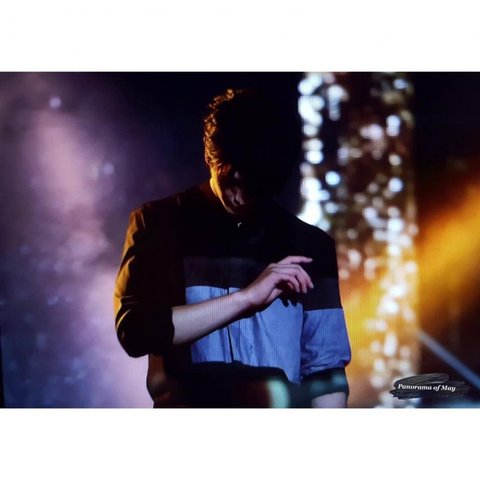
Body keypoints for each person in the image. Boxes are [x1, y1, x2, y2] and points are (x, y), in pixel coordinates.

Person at [113, 88, 351, 407]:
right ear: (211, 157)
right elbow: (136, 332)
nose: (238, 196)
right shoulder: (158, 224)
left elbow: (325, 372)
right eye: (230, 180)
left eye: (251, 185)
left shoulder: (310, 245)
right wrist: (246, 299)